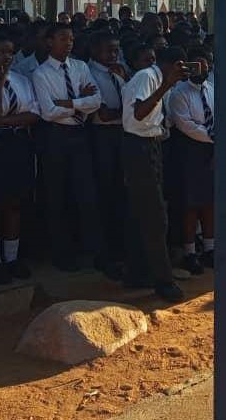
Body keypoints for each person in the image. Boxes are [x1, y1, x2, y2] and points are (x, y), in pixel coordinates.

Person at [31, 23, 102, 272]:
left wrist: (69, 102)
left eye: (71, 39)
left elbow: (96, 101)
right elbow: (48, 112)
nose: (69, 43)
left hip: (81, 134)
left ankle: (90, 249)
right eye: (63, 38)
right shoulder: (41, 74)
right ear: (49, 42)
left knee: (85, 193)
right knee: (57, 195)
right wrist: (80, 103)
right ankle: (61, 252)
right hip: (56, 137)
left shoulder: (81, 66)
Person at [121, 45, 189, 302]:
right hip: (138, 145)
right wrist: (166, 86)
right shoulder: (148, 77)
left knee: (142, 212)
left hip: (152, 144)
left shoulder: (158, 80)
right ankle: (164, 280)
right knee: (155, 216)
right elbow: (139, 113)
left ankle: (137, 271)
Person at [0, 33, 39, 284]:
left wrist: (5, 121)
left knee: (15, 201)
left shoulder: (23, 80)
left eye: (10, 52)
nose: (7, 57)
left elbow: (34, 113)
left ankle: (12, 258)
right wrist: (0, 82)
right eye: (1, 52)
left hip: (19, 143)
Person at [167, 47, 216, 273]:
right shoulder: (179, 93)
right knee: (191, 203)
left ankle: (209, 247)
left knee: (209, 201)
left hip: (212, 151)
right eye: (197, 64)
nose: (202, 68)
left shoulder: (213, 90)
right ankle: (189, 251)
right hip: (191, 150)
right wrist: (214, 137)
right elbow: (185, 124)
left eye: (205, 64)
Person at [87, 30, 129, 277]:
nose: (113, 55)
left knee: (122, 193)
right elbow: (102, 113)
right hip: (101, 137)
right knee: (104, 193)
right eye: (108, 50)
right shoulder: (89, 73)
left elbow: (133, 105)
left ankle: (122, 247)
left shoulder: (121, 71)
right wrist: (124, 112)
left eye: (116, 50)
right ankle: (104, 252)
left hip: (122, 135)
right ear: (95, 50)